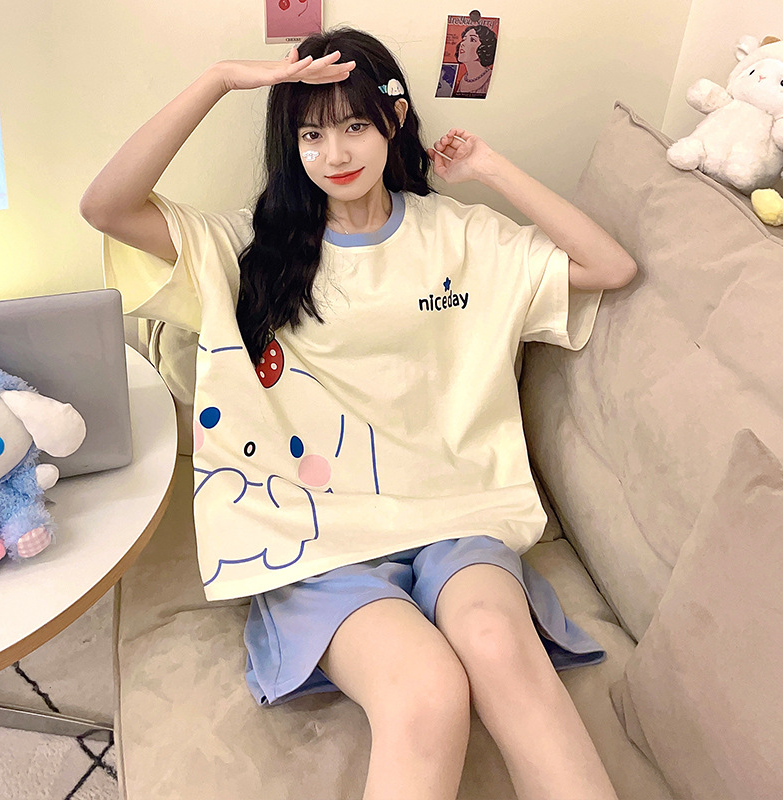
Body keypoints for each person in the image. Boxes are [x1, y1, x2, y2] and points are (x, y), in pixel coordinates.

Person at [80, 26, 635, 800]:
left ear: (394, 120)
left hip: (458, 518)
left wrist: (488, 166)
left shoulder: (461, 235)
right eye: (311, 134)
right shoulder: (246, 247)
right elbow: (104, 206)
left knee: (499, 647)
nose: (334, 153)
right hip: (318, 539)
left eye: (353, 125)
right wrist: (220, 79)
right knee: (427, 690)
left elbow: (611, 266)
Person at [453, 24, 497, 97]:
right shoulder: (463, 80)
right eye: (464, 39)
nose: (462, 43)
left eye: (472, 40)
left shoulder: (490, 79)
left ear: (484, 47)